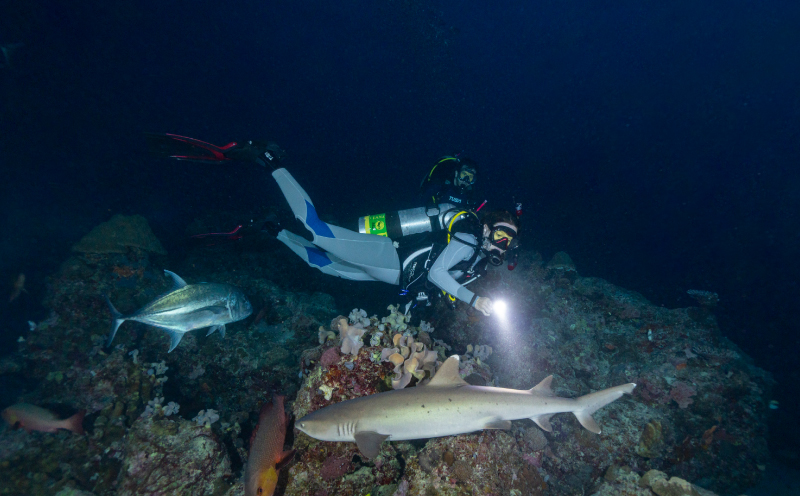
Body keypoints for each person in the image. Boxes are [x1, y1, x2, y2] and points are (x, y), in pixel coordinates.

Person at [146, 134, 518, 316]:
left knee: (324, 265)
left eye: (509, 241)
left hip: (393, 272)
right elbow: (437, 271)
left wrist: (424, 299)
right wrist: (477, 302)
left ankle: (274, 228)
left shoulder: (477, 259)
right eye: (501, 233)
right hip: (389, 256)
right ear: (488, 227)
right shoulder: (470, 234)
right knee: (316, 229)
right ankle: (270, 159)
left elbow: (436, 278)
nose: (502, 244)